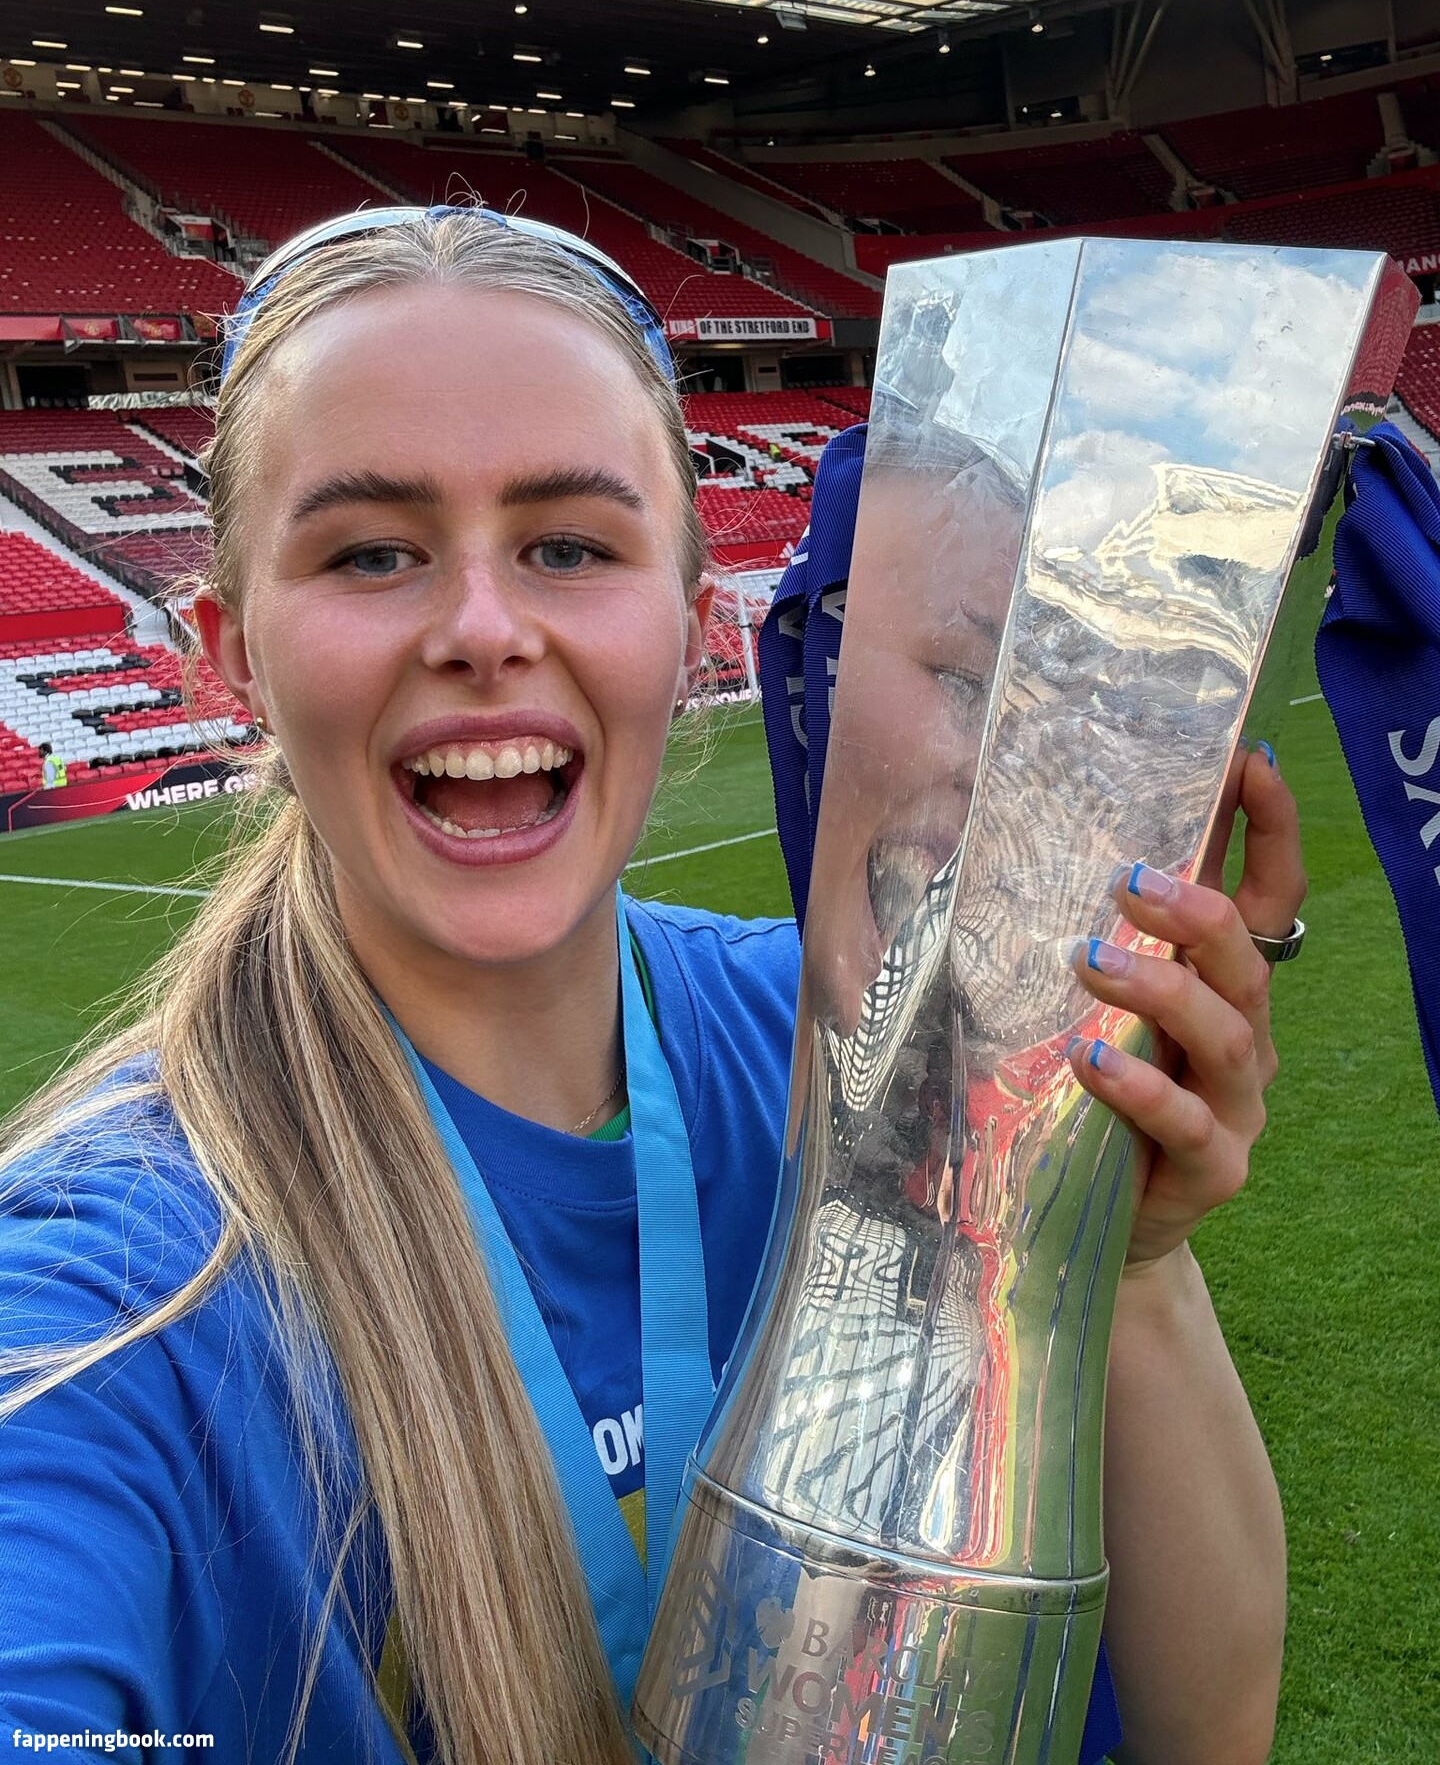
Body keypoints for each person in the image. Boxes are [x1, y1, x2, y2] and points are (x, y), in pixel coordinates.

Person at [0, 208, 1299, 1765]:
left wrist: (1120, 1264)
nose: (485, 630)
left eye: (568, 546)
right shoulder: (117, 1285)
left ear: (689, 633)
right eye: (371, 554)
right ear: (231, 655)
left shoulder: (860, 1047)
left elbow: (1209, 1732)